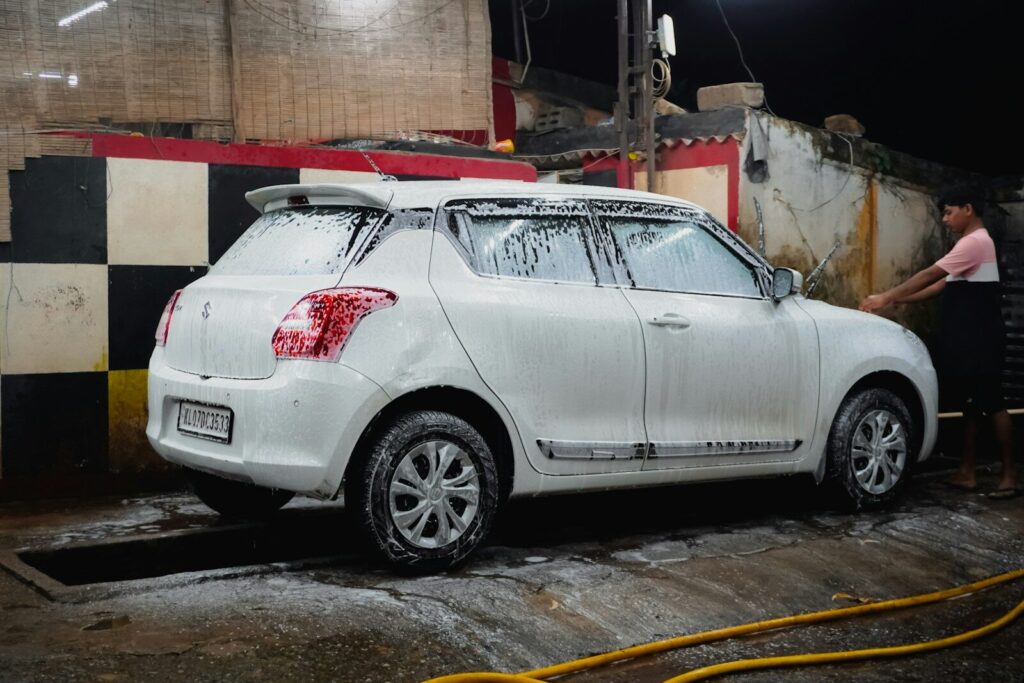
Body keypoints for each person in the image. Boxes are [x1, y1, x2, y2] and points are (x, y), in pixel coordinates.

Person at [859, 187, 1020, 499]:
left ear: (968, 209)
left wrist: (886, 296)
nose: (945, 219)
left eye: (949, 212)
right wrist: (900, 301)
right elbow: (941, 285)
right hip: (970, 338)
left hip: (982, 339)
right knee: (970, 407)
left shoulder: (975, 242)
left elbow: (930, 273)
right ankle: (967, 472)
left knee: (993, 403)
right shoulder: (971, 244)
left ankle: (1009, 475)